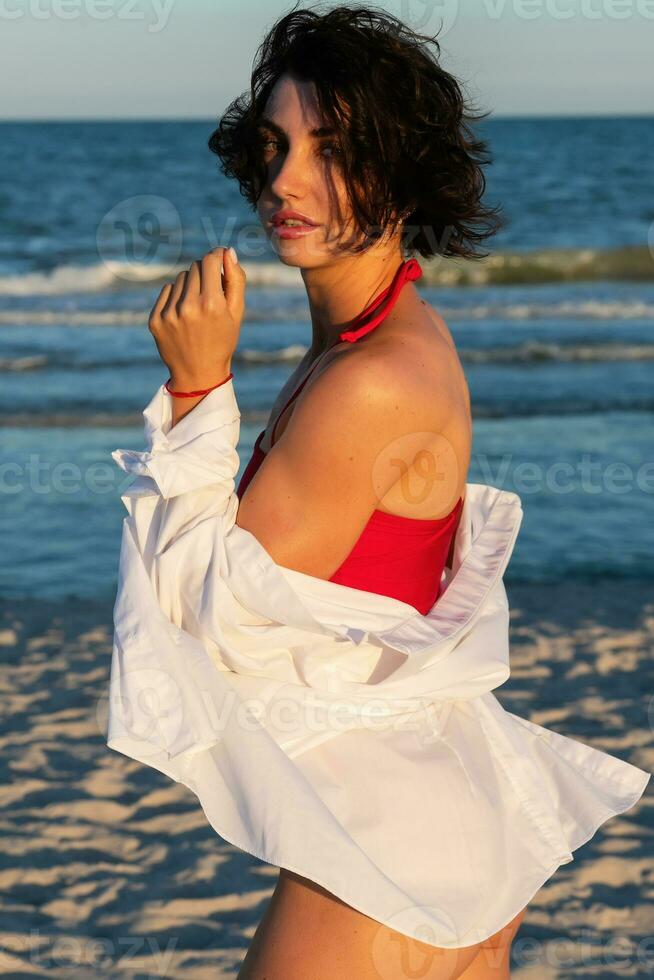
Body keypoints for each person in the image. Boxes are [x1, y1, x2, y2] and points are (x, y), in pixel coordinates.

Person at [150, 4, 527, 977]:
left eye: (332, 148)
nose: (284, 180)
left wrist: (197, 390)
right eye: (275, 146)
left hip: (389, 854)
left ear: (403, 166)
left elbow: (204, 625)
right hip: (428, 818)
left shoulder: (371, 381)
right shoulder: (388, 336)